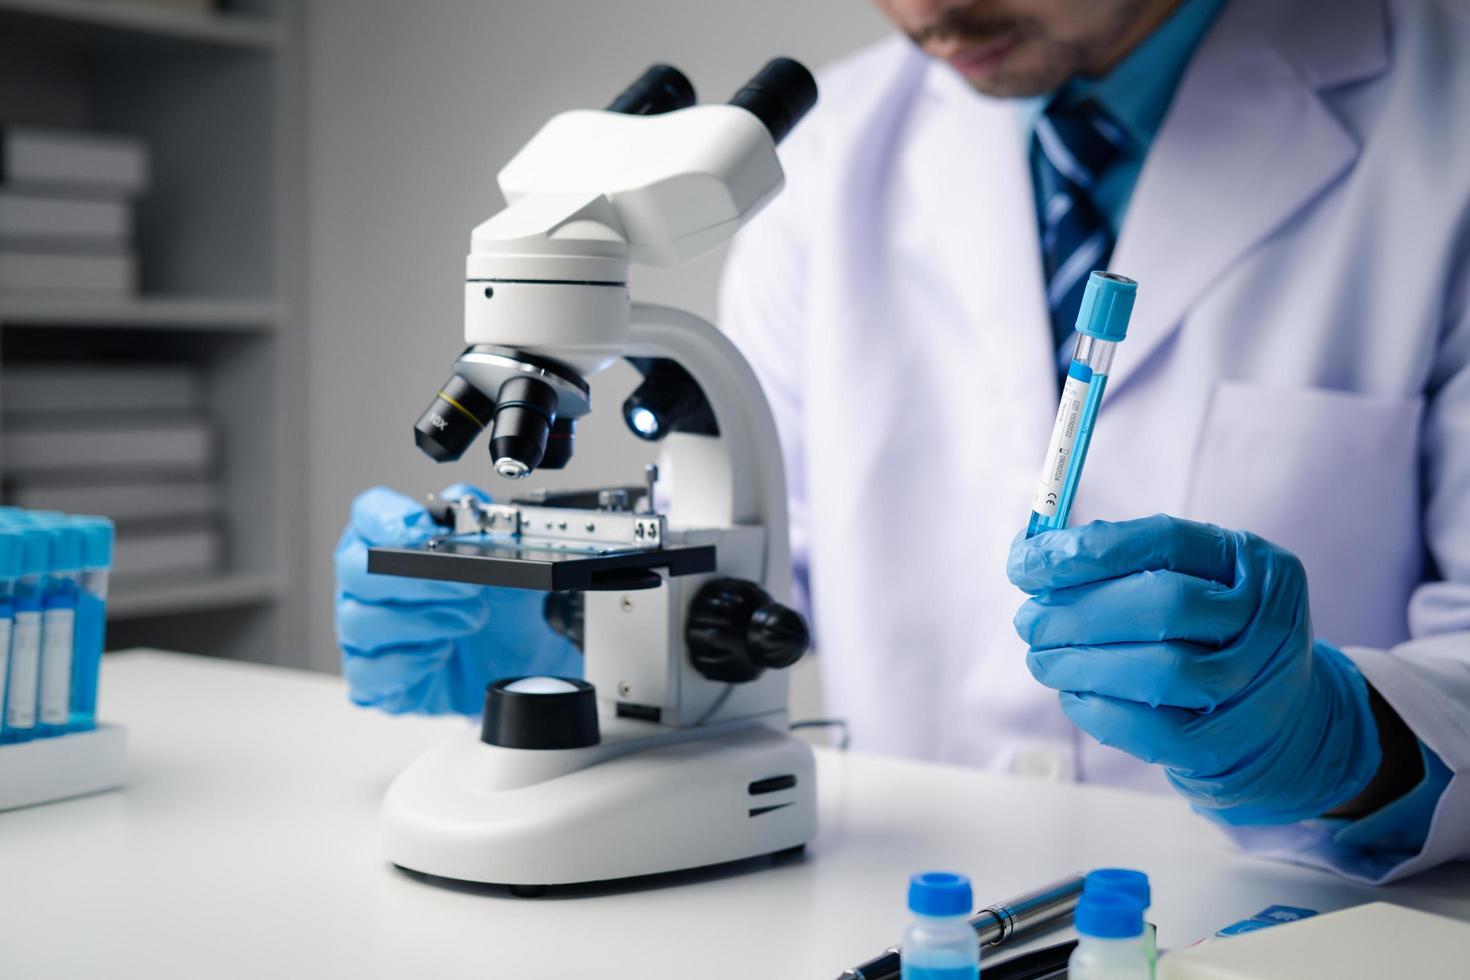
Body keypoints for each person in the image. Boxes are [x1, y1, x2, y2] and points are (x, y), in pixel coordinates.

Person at [336, 0, 1470, 884]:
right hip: (900, 893)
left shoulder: (1446, 108)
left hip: (1315, 911)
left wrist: (1346, 740)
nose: (933, 13)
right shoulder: (828, 157)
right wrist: (566, 622)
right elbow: (780, 563)